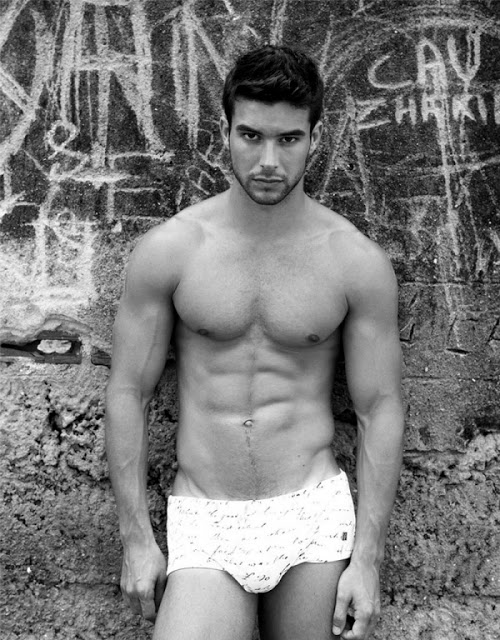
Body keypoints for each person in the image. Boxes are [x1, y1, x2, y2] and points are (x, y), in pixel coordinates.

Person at [105, 44, 404, 640]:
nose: (269, 160)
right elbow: (128, 392)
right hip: (206, 515)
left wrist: (368, 560)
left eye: (289, 139)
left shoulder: (354, 261)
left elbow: (380, 407)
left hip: (311, 514)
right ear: (226, 131)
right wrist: (136, 538)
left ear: (315, 138)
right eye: (251, 136)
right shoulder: (173, 249)